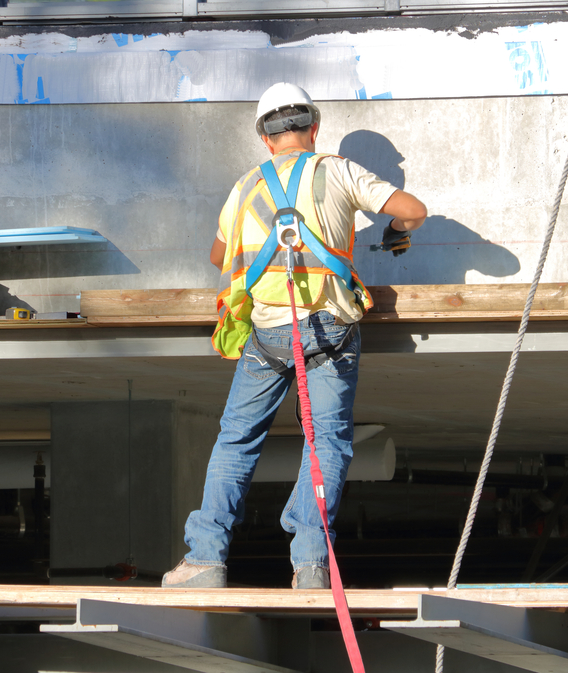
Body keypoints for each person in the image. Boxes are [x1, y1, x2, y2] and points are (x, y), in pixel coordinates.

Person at [163, 83, 426, 590]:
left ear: (265, 139)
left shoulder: (244, 188)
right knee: (325, 442)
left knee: (237, 441)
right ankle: (310, 565)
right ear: (315, 129)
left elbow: (221, 257)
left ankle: (205, 559)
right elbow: (413, 210)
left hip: (268, 333)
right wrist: (394, 230)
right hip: (328, 328)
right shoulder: (339, 169)